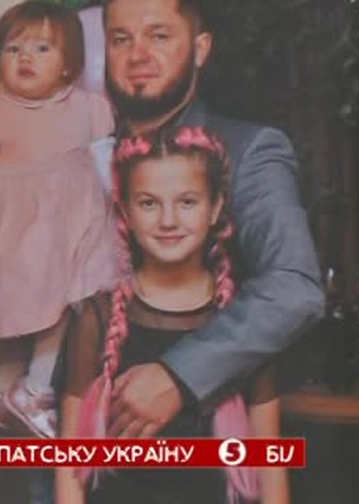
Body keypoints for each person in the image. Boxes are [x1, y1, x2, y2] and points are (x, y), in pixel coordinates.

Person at [97, 0, 325, 438]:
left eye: (159, 36)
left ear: (200, 49)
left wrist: (179, 375)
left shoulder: (248, 150)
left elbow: (294, 287)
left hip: (207, 437)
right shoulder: (86, 155)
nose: (138, 55)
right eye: (121, 39)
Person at [55, 125, 289, 504]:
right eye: (149, 203)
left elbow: (270, 466)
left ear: (215, 208)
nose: (168, 220)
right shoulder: (96, 317)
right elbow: (70, 467)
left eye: (187, 202)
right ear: (125, 212)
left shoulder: (245, 322)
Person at [0, 0, 119, 438]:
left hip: (74, 226)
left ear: (68, 63)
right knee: (23, 313)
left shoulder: (89, 108)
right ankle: (12, 389)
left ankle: (27, 388)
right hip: (18, 232)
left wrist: (119, 197)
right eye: (13, 49)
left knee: (60, 305)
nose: (25, 58)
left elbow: (104, 163)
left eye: (41, 49)